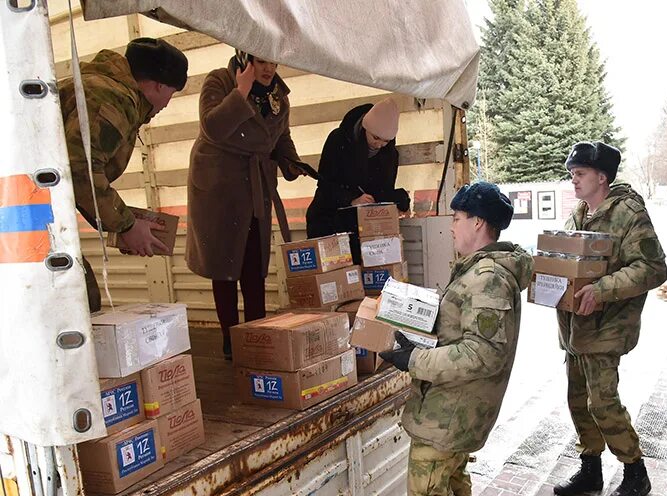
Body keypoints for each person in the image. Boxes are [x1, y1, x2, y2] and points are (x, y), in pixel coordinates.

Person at [378, 182, 533, 496]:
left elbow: (483, 354)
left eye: (458, 217)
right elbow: (458, 332)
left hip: (454, 408)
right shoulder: (474, 270)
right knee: (452, 483)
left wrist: (414, 360)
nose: (451, 226)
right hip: (452, 403)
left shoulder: (487, 278)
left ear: (478, 221)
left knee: (426, 493)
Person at [552, 141, 667, 496]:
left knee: (603, 402)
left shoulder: (628, 214)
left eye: (580, 174)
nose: (574, 181)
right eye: (572, 174)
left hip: (608, 326)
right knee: (577, 400)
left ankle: (635, 471)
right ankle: (590, 467)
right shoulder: (579, 214)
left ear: (602, 177)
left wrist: (602, 289)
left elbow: (653, 268)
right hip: (575, 328)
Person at [185, 51, 308, 359]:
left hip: (256, 186)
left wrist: (291, 163)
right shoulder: (219, 81)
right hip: (220, 186)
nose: (268, 69)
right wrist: (240, 91)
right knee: (224, 264)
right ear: (244, 59)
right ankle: (229, 337)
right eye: (261, 61)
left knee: (255, 264)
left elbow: (281, 137)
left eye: (273, 62)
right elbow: (212, 127)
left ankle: (255, 334)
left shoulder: (279, 95)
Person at [59, 37, 187, 312]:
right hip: (19, 212)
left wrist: (124, 225)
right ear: (158, 85)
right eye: (172, 93)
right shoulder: (112, 100)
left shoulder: (106, 89)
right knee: (76, 299)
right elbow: (80, 171)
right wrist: (127, 225)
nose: (167, 103)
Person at [305, 98, 411, 247]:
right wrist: (351, 199)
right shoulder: (338, 139)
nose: (379, 144)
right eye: (375, 137)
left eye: (386, 141)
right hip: (328, 221)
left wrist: (396, 201)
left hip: (363, 227)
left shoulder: (390, 154)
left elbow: (384, 189)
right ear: (365, 128)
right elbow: (325, 183)